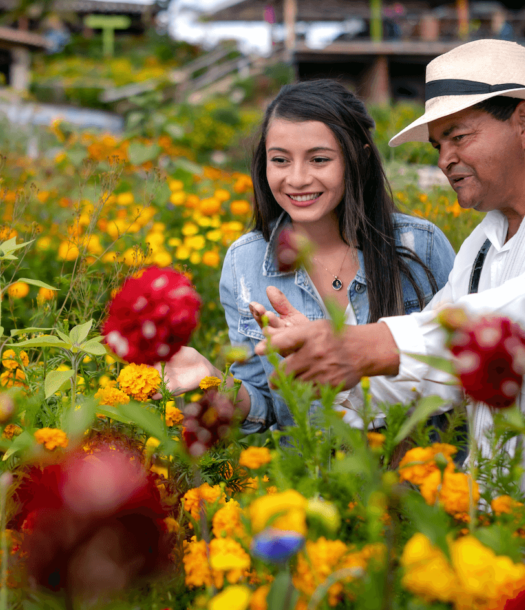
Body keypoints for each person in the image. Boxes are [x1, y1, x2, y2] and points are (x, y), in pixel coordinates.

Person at [259, 40, 525, 530]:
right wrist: (321, 370)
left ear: (524, 122)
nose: (446, 159)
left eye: (460, 136)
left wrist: (368, 344)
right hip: (518, 538)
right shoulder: (486, 243)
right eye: (438, 145)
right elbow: (428, 368)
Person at [161, 79, 457, 433]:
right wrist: (213, 381)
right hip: (309, 480)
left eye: (319, 159)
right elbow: (265, 404)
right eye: (280, 160)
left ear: (358, 158)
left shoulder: (418, 246)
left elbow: (459, 369)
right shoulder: (247, 261)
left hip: (415, 478)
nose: (297, 179)